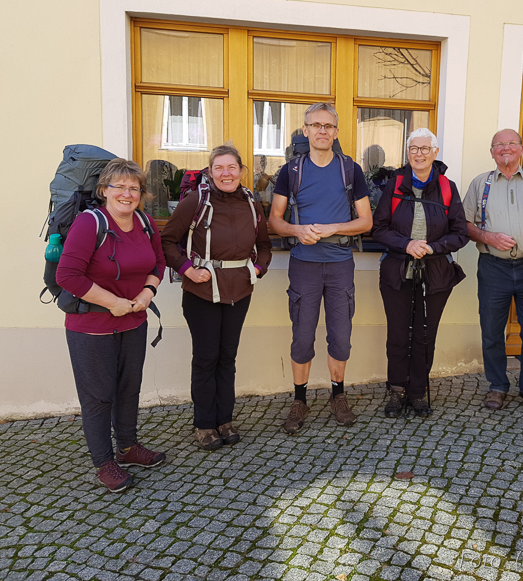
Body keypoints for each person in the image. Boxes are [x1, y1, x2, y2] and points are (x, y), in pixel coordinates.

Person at [57, 158, 167, 493]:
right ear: (104, 190)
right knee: (98, 397)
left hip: (134, 321)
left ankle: (128, 447)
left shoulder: (145, 223)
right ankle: (104, 462)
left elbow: (159, 264)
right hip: (91, 327)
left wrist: (148, 292)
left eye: (134, 188)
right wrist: (112, 303)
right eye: (119, 186)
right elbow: (67, 275)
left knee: (128, 389)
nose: (127, 193)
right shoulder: (89, 224)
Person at [269, 103, 373, 434]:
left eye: (328, 126)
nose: (322, 131)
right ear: (306, 130)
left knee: (340, 336)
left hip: (340, 264)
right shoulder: (291, 171)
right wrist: (297, 230)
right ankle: (300, 399)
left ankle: (338, 396)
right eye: (316, 125)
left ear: (336, 132)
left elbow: (366, 222)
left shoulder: (350, 170)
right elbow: (274, 220)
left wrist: (334, 227)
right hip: (304, 265)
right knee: (302, 337)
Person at [162, 144, 272, 449]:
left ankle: (225, 420)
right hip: (202, 292)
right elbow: (167, 241)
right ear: (210, 172)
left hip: (240, 291)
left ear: (241, 171)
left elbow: (264, 245)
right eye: (219, 168)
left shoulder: (251, 203)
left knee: (227, 357)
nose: (226, 173)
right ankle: (204, 424)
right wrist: (188, 270)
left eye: (231, 167)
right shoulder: (196, 201)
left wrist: (258, 269)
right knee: (206, 358)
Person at [372, 128, 469, 417]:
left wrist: (432, 247)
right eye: (414, 148)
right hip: (397, 273)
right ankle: (397, 390)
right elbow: (379, 229)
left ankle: (417, 392)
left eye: (425, 149)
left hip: (435, 273)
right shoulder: (394, 184)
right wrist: (407, 244)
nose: (419, 154)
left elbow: (460, 233)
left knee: (425, 336)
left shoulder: (447, 187)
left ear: (435, 153)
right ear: (407, 152)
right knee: (398, 334)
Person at [463, 129, 523, 411]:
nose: (505, 148)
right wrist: (489, 237)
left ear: (521, 148)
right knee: (492, 330)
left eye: (511, 143)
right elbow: (464, 224)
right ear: (492, 151)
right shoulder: (480, 184)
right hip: (493, 268)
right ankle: (497, 386)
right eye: (499, 144)